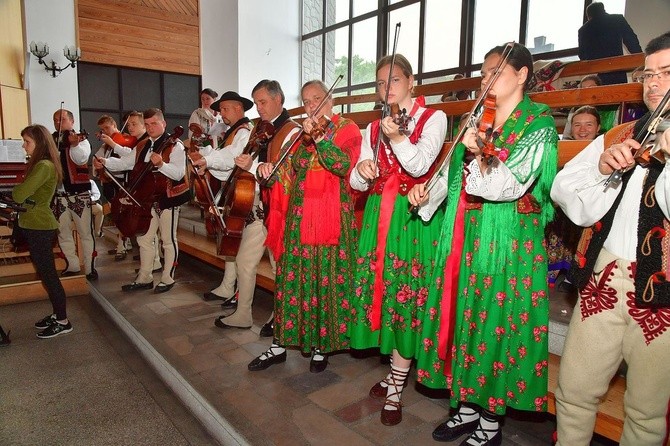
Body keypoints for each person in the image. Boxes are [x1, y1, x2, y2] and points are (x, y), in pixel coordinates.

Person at [409, 42, 558, 445]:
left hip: (509, 242)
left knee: (496, 325)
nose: (485, 79)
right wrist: (427, 192)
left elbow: (510, 184)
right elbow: (452, 175)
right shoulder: (479, 119)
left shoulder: (538, 124)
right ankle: (468, 408)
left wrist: (483, 152)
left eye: (495, 70)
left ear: (522, 74)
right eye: (483, 72)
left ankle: (490, 421)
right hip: (469, 237)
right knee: (466, 321)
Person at [551, 31, 670, 446]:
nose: (653, 83)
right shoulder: (622, 133)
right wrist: (601, 169)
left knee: (647, 413)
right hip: (605, 277)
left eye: (666, 73)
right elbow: (565, 194)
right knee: (574, 392)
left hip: (664, 292)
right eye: (648, 74)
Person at [347, 54, 448, 426]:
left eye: (393, 80)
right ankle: (395, 372)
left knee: (405, 295)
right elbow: (357, 183)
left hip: (411, 217)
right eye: (379, 83)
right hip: (378, 216)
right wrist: (361, 169)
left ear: (411, 82)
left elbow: (420, 165)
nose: (385, 88)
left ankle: (396, 386)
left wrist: (398, 137)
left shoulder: (432, 118)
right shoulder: (370, 129)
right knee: (385, 294)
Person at [248, 79, 362, 373]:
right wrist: (266, 170)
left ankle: (322, 347)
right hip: (300, 216)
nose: (311, 106)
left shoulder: (347, 128)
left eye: (316, 99)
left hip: (331, 216)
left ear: (330, 99)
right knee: (292, 280)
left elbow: (342, 165)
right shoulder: (300, 135)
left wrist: (320, 138)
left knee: (325, 280)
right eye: (307, 101)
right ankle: (279, 344)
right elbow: (289, 168)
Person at [93, 108, 189, 293]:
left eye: (154, 123)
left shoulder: (175, 145)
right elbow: (126, 163)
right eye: (147, 124)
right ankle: (145, 277)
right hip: (145, 199)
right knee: (144, 239)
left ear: (164, 123)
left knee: (168, 240)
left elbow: (178, 173)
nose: (150, 127)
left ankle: (168, 278)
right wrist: (105, 163)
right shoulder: (143, 144)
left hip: (167, 198)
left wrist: (161, 164)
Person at [189, 91, 257, 322]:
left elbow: (233, 157)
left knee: (236, 242)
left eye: (225, 109)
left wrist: (207, 160)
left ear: (239, 108)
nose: (221, 113)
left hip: (244, 194)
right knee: (230, 240)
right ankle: (228, 286)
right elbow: (223, 158)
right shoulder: (232, 131)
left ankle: (234, 290)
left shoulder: (245, 132)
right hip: (233, 191)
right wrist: (206, 156)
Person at [13, 125, 71, 339]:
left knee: (48, 275)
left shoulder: (44, 165)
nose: (23, 145)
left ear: (40, 143)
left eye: (27, 141)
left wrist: (20, 192)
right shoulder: (41, 164)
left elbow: (19, 195)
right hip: (34, 224)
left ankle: (63, 320)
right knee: (45, 273)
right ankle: (57, 314)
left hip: (40, 226)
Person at [51, 108, 98, 281]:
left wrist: (74, 144)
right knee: (62, 231)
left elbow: (80, 159)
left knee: (85, 231)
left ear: (72, 121)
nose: (58, 122)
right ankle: (72, 264)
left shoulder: (80, 140)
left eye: (62, 119)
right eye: (55, 120)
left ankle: (90, 267)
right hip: (58, 194)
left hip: (78, 193)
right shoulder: (52, 140)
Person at [578, 2, 642, 85]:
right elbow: (631, 40)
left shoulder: (583, 30)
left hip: (597, 71)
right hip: (617, 68)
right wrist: (640, 58)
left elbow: (582, 55)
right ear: (603, 10)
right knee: (620, 93)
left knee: (600, 93)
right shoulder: (617, 19)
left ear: (589, 16)